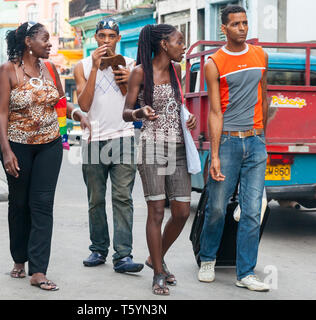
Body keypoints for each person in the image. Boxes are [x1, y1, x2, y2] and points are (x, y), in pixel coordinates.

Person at [0, 21, 90, 291]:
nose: (50, 44)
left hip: (49, 144)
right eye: (45, 39)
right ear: (28, 42)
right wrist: (6, 151)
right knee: (20, 204)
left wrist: (77, 114)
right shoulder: (8, 71)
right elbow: (1, 112)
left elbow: (60, 101)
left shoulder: (50, 69)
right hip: (18, 145)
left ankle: (38, 270)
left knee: (42, 204)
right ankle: (19, 259)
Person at [197, 5, 269, 292]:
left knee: (252, 210)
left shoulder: (261, 55)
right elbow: (215, 112)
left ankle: (246, 272)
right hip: (227, 141)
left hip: (255, 141)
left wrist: (263, 136)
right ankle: (208, 258)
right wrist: (214, 155)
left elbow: (264, 95)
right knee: (216, 207)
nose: (242, 28)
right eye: (236, 24)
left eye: (245, 23)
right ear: (223, 29)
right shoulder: (214, 63)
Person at [123, 24, 197, 295]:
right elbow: (126, 112)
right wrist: (140, 112)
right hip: (152, 147)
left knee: (181, 212)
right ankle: (158, 273)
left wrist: (188, 116)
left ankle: (156, 256)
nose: (183, 46)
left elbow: (177, 107)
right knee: (155, 211)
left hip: (178, 147)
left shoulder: (177, 72)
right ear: (164, 44)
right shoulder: (140, 73)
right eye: (180, 41)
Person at [74, 18, 144, 273]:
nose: (106, 41)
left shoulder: (132, 65)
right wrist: (94, 68)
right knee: (95, 199)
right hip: (94, 140)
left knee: (123, 197)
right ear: (95, 38)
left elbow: (132, 103)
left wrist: (125, 78)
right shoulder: (81, 66)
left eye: (111, 36)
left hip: (123, 136)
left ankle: (123, 255)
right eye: (102, 36)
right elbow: (84, 104)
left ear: (118, 38)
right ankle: (98, 249)